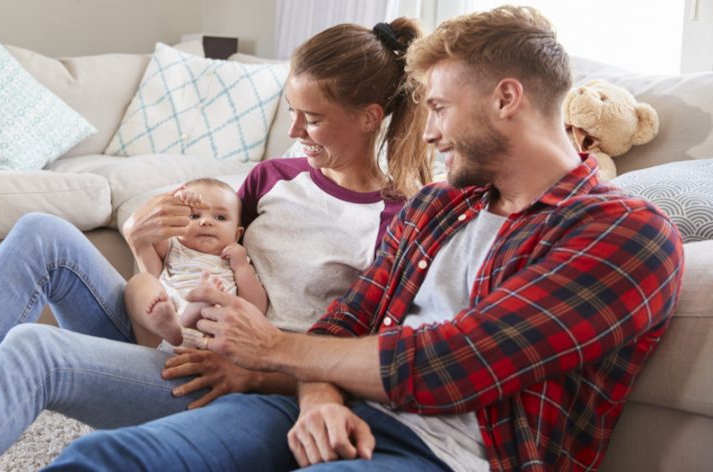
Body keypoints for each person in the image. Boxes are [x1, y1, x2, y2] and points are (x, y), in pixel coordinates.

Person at [45, 6, 685, 472]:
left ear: (506, 98)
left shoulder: (626, 234)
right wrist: (317, 396)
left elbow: (455, 365)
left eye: (438, 107)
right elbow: (348, 318)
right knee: (105, 457)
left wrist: (272, 349)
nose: (428, 134)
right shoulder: (439, 205)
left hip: (452, 456)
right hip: (325, 408)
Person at [0, 19, 431, 471]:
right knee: (40, 233)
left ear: (370, 117)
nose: (296, 132)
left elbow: (352, 352)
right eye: (293, 114)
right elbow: (187, 264)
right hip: (173, 325)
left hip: (217, 374)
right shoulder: (272, 178)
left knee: (34, 349)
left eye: (313, 119)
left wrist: (260, 366)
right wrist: (139, 249)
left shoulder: (395, 221)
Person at [125, 178, 266, 349]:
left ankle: (198, 307)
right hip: (167, 329)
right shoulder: (174, 246)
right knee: (140, 282)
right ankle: (165, 322)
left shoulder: (235, 260)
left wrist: (242, 266)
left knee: (212, 300)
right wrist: (177, 202)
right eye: (194, 216)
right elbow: (153, 233)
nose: (205, 222)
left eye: (220, 217)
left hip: (213, 332)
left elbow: (256, 306)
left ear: (237, 234)